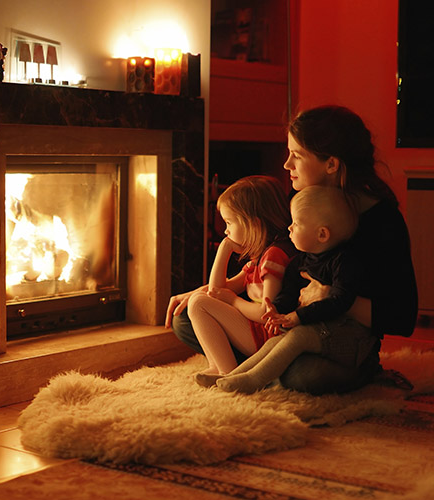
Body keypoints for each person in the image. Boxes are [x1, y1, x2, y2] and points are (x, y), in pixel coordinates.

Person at [168, 105, 418, 395]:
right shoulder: (299, 199)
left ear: (331, 164)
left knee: (303, 376)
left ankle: (272, 367)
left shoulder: (382, 222)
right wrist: (208, 291)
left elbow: (402, 317)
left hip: (339, 338)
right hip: (285, 321)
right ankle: (264, 365)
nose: (287, 165)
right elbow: (270, 267)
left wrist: (329, 296)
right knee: (185, 318)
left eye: (296, 156)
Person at [215, 186, 365, 393]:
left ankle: (253, 381)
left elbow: (340, 301)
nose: (289, 229)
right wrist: (275, 310)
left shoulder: (344, 261)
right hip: (310, 326)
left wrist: (298, 316)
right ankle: (232, 376)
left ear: (322, 234)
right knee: (277, 340)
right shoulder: (300, 262)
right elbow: (288, 293)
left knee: (298, 338)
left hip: (339, 332)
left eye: (295, 224)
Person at [182, 175, 295, 386]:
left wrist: (234, 301)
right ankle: (217, 366)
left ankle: (228, 372)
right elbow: (216, 290)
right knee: (198, 298)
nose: (225, 230)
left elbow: (267, 313)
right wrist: (224, 249)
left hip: (268, 337)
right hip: (255, 331)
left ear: (253, 223)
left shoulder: (274, 257)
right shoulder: (259, 257)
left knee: (198, 303)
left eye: (229, 223)